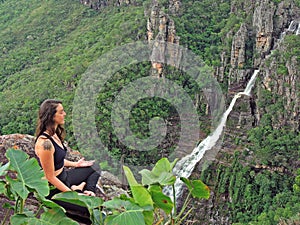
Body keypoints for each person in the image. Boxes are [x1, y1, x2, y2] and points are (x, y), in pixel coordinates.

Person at [34, 99, 100, 219]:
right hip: (54, 189)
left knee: (94, 166)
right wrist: (73, 195)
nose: (64, 114)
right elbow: (50, 176)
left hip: (64, 177)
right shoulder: (45, 144)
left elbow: (56, 160)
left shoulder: (54, 134)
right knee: (93, 209)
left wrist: (76, 164)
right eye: (61, 112)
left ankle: (87, 190)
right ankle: (77, 189)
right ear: (52, 116)